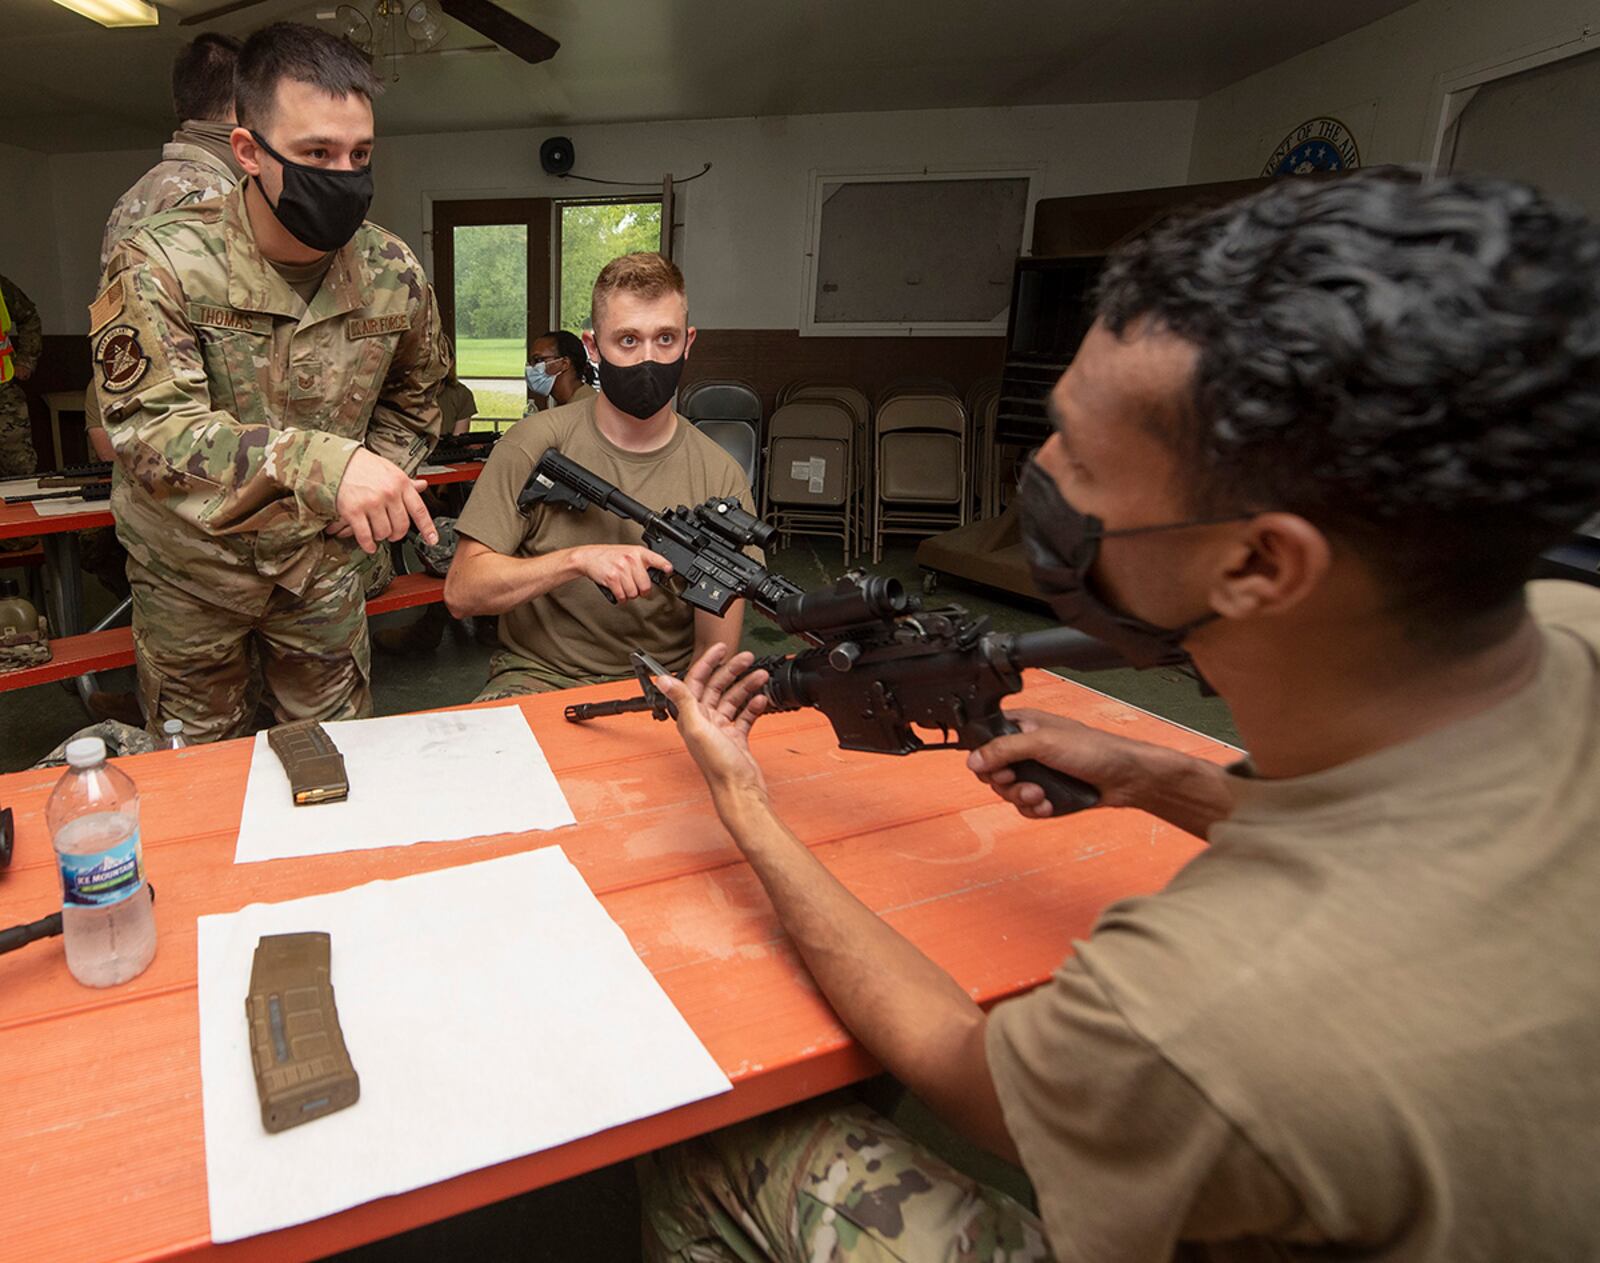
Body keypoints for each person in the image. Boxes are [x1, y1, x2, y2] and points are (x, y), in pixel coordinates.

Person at [640, 169, 1600, 1261]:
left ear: (1258, 562)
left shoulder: (1204, 1010)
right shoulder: (1569, 625)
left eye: (1084, 464)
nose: (1039, 477)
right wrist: (1161, 777)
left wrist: (747, 806)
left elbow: (966, 1065)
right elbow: (1403, 847)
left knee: (723, 1143)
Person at [92, 21, 447, 742]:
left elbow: (418, 399)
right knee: (202, 785)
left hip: (321, 571)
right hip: (194, 579)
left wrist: (371, 488)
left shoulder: (393, 272)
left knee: (336, 768)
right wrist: (329, 465)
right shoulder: (160, 262)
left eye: (360, 154)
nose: (345, 176)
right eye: (318, 153)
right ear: (249, 151)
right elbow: (152, 431)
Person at [445, 252, 753, 700]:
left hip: (665, 685)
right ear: (592, 347)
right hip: (539, 675)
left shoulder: (719, 475)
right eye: (627, 340)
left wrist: (691, 709)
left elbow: (715, 647)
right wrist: (577, 561)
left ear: (688, 342)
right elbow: (462, 591)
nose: (649, 359)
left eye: (664, 339)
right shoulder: (533, 444)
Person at [86, 32, 246, 468]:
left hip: (143, 433)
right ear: (241, 107)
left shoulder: (134, 196)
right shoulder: (218, 199)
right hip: (204, 452)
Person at [0, 272, 42, 478]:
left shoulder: (2, 288)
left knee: (18, 466)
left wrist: (26, 360)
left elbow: (29, 317)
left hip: (4, 393)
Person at [522, 328, 597, 414]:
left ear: (564, 363)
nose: (531, 368)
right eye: (530, 362)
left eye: (538, 360)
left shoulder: (586, 408)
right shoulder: (566, 404)